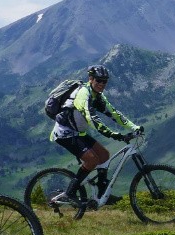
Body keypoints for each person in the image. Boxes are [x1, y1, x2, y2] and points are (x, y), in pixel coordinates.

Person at [48, 64, 142, 203]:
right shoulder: (83, 94)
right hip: (64, 133)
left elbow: (114, 114)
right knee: (92, 159)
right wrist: (113, 134)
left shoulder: (97, 96)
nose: (102, 84)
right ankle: (70, 192)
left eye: (105, 81)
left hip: (78, 133)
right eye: (99, 80)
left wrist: (134, 127)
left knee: (104, 155)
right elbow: (92, 119)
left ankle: (102, 192)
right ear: (90, 79)